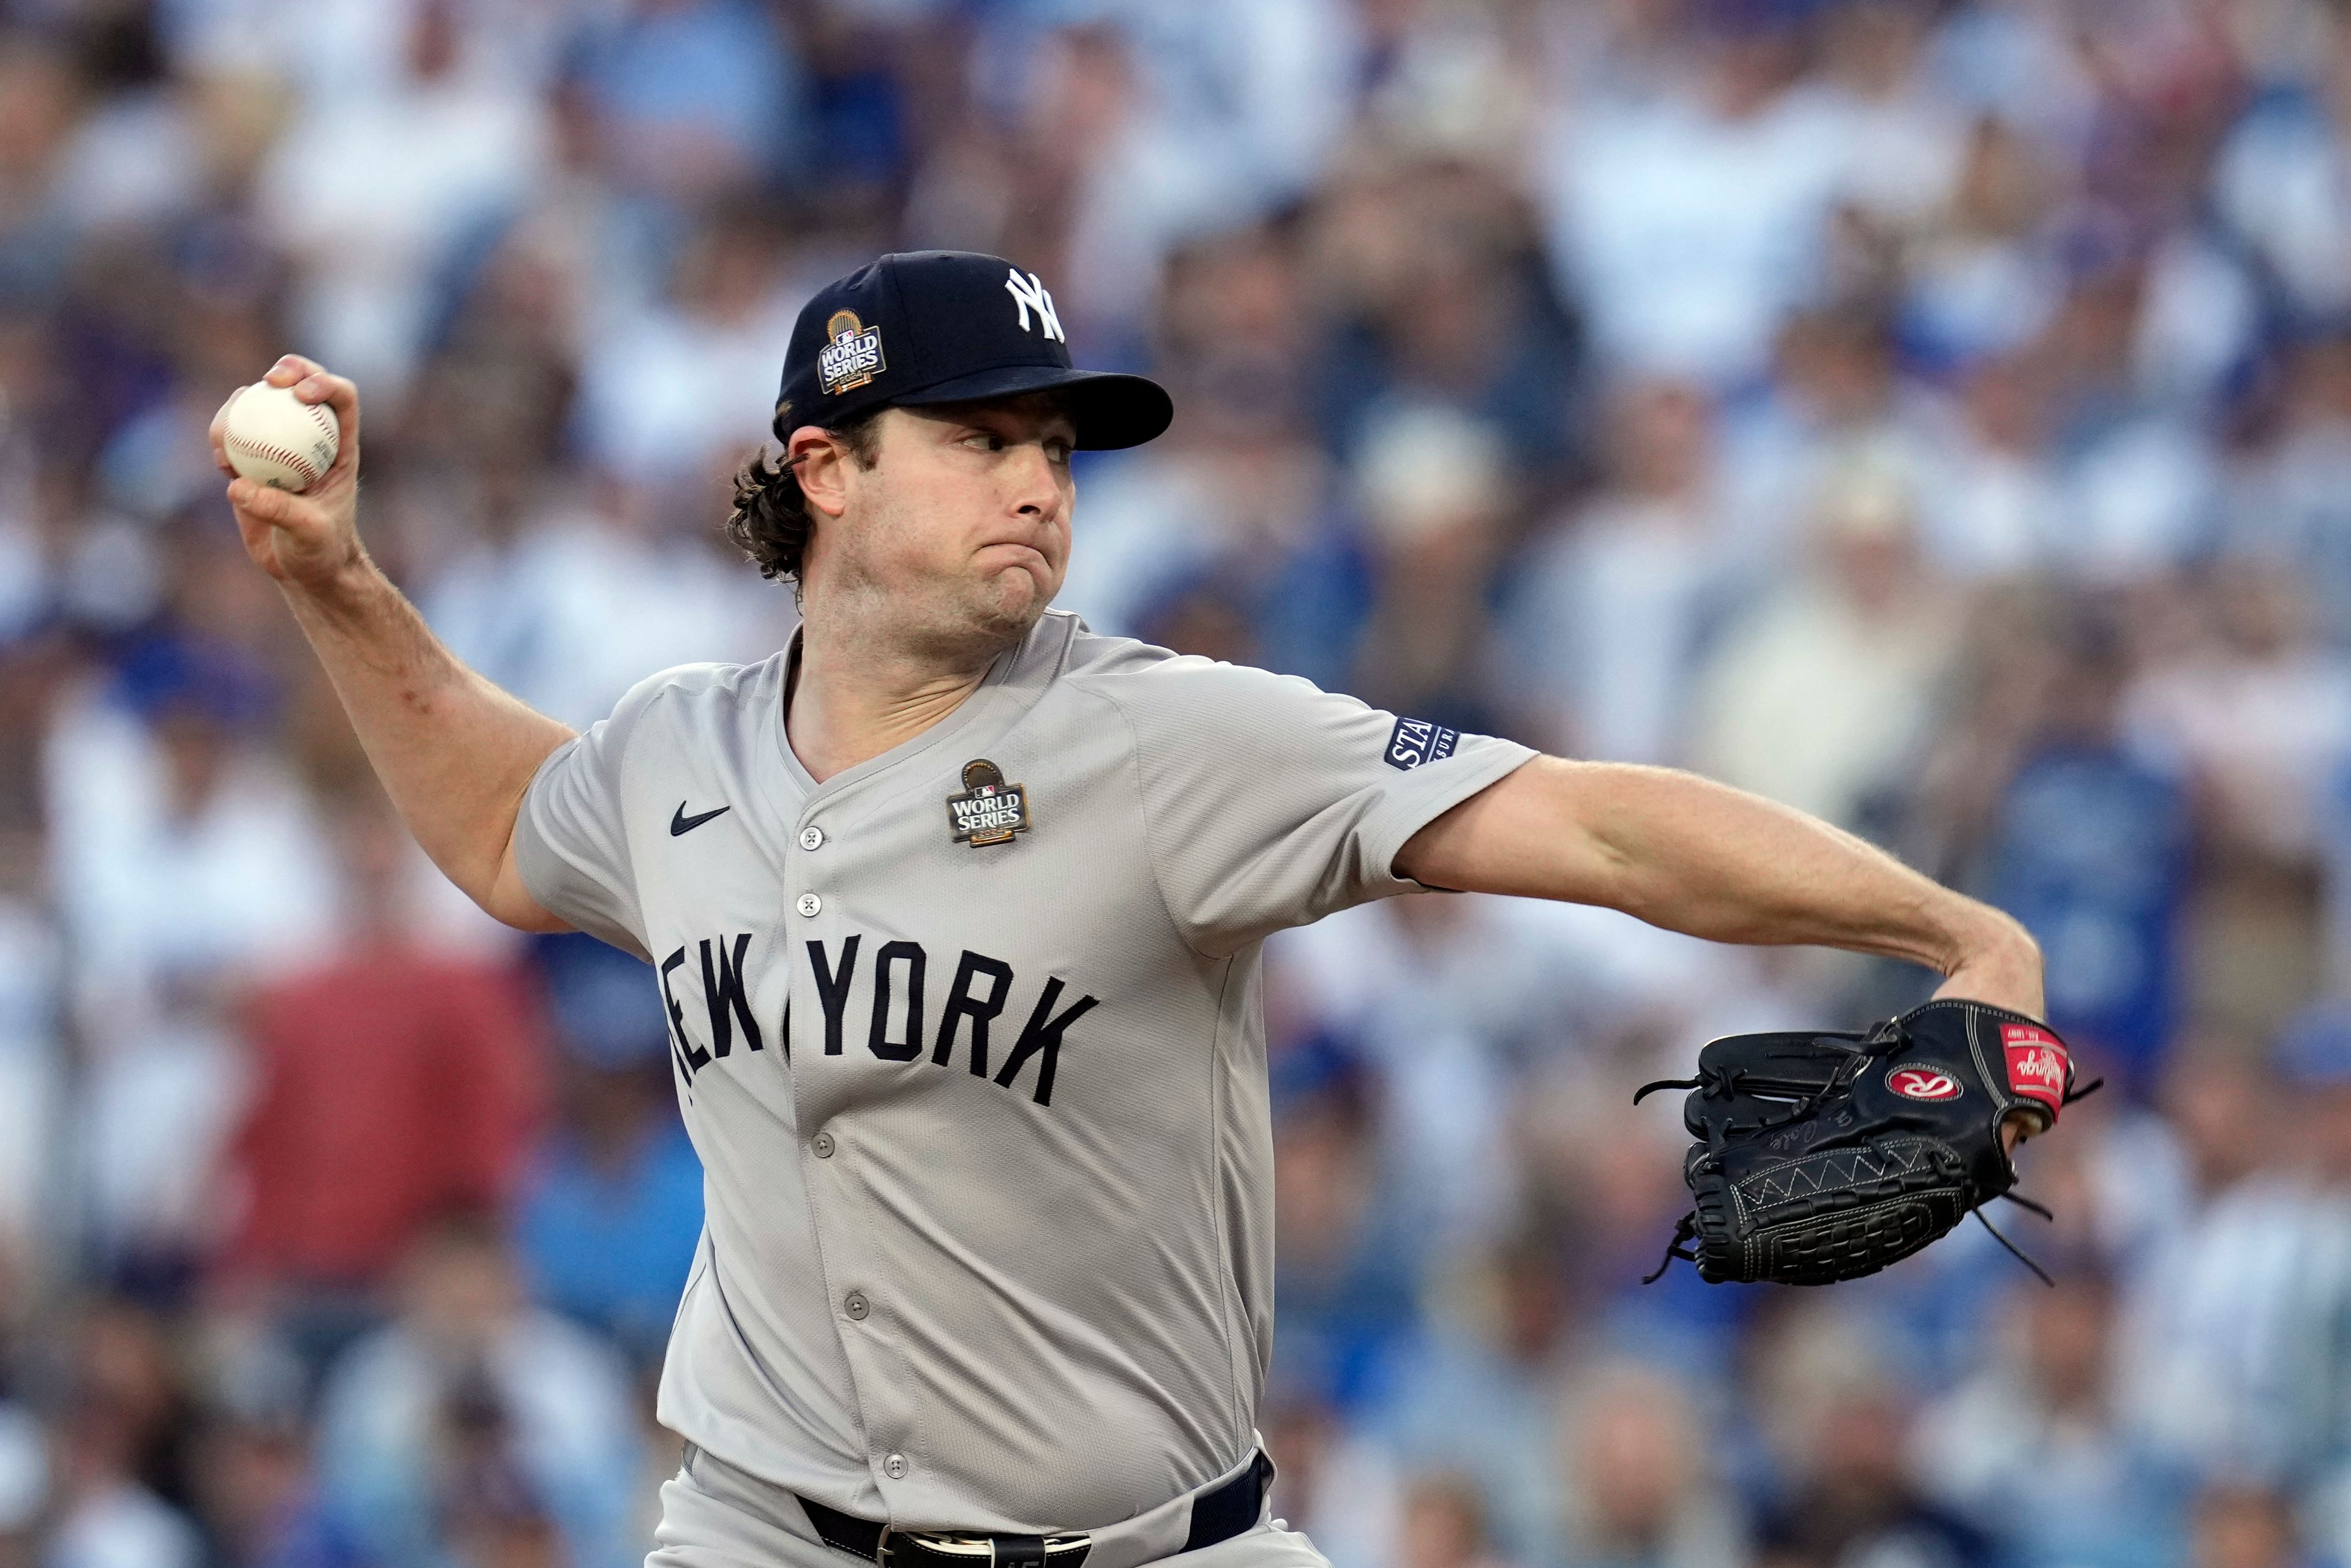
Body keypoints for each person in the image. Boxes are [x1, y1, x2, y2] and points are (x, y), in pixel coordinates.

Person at [209, 250, 2049, 1568]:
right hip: (760, 1525)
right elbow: (505, 820)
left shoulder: (1169, 735)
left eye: (1057, 447)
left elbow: (1591, 825)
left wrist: (1950, 930)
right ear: (825, 470)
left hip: (1155, 1547)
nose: (1037, 480)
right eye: (981, 436)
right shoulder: (674, 752)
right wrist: (336, 575)